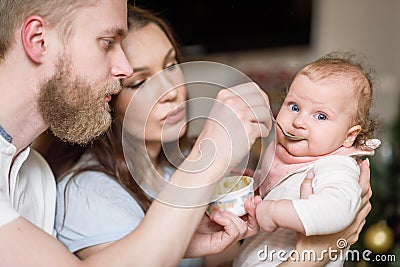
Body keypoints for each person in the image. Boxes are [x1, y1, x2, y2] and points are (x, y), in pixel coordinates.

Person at [0, 0, 371, 265]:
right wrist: (313, 256)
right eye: (107, 42)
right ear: (38, 39)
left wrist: (188, 241)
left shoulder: (34, 176)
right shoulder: (76, 187)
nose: (121, 66)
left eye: (172, 65)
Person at [234, 52, 380, 267]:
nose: (299, 121)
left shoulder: (335, 165)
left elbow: (337, 210)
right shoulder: (286, 156)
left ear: (349, 136)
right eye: (294, 107)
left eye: (321, 116)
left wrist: (274, 212)